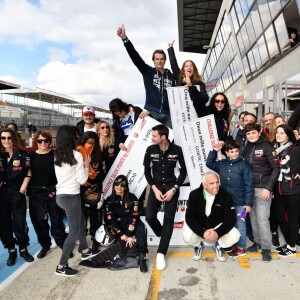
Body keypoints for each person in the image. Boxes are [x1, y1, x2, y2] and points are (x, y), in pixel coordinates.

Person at [54, 125, 98, 277]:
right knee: (72, 233)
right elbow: (82, 180)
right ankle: (61, 265)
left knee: (81, 221)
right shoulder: (77, 156)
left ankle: (85, 250)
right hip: (71, 196)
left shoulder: (57, 155)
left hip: (61, 196)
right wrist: (86, 164)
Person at [144, 124, 187, 270]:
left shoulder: (177, 150)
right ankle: (164, 236)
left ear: (163, 137)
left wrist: (174, 190)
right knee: (149, 216)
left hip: (171, 187)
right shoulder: (150, 150)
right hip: (156, 187)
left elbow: (183, 172)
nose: (152, 138)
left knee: (169, 219)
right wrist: (154, 189)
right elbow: (147, 172)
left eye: (154, 136)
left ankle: (161, 252)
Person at [117, 24, 175, 128]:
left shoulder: (171, 76)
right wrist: (125, 39)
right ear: (153, 61)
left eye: (162, 59)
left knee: (168, 141)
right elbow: (135, 56)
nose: (159, 61)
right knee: (152, 141)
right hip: (152, 113)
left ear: (165, 60)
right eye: (157, 59)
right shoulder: (147, 71)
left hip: (168, 115)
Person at [206, 141, 254, 257]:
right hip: (226, 202)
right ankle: (230, 244)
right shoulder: (222, 164)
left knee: (240, 225)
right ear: (227, 153)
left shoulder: (243, 165)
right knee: (227, 224)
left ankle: (241, 247)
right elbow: (209, 163)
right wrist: (214, 150)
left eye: (236, 151)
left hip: (240, 203)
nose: (234, 154)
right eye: (231, 152)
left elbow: (249, 184)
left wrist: (248, 204)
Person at [27, 130, 67, 259]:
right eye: (40, 141)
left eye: (46, 140)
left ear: (50, 142)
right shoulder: (30, 156)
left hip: (53, 191)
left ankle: (62, 244)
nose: (43, 143)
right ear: (36, 142)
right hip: (36, 193)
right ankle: (45, 245)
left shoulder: (56, 154)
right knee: (40, 222)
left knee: (57, 221)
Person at [243, 123, 279, 262]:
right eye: (248, 134)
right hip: (249, 190)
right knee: (253, 219)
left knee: (262, 220)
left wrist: (268, 188)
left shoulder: (267, 146)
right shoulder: (247, 148)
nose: (251, 135)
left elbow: (276, 168)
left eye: (253, 133)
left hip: (263, 189)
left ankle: (266, 248)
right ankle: (257, 243)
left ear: (259, 132)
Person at [183, 171, 239, 262]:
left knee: (235, 236)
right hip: (201, 226)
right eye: (212, 183)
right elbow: (189, 218)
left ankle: (219, 245)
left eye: (217, 182)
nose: (216, 185)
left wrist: (217, 232)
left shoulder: (226, 195)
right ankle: (198, 245)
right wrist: (202, 232)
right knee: (186, 235)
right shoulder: (194, 195)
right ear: (204, 185)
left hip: (217, 226)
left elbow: (231, 218)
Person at [0, 128, 34, 266]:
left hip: (17, 191)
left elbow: (28, 173)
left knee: (20, 223)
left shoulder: (23, 155)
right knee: (4, 224)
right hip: (1, 193)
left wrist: (21, 189)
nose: (6, 141)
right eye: (3, 138)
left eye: (9, 138)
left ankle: (23, 248)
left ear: (14, 138)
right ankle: (11, 250)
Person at [106, 175, 148, 273]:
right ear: (114, 184)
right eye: (117, 183)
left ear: (126, 186)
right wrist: (121, 234)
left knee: (141, 228)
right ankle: (131, 254)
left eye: (122, 184)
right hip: (119, 226)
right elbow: (111, 219)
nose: (119, 187)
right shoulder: (109, 200)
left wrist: (129, 234)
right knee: (119, 250)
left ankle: (142, 258)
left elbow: (134, 216)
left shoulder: (132, 198)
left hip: (132, 223)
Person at [274, 124, 300, 257]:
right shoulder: (278, 150)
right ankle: (289, 242)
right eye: (277, 132)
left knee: (293, 219)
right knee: (280, 216)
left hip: (293, 190)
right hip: (279, 190)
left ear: (288, 135)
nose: (278, 135)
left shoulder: (295, 149)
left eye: (282, 133)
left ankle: (292, 246)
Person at [77, 131, 103, 254]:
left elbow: (101, 175)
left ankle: (95, 237)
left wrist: (100, 192)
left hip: (94, 189)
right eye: (88, 144)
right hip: (80, 188)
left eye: (93, 144)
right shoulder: (77, 154)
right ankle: (82, 241)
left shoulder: (99, 155)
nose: (90, 146)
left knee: (94, 215)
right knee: (81, 216)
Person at [167, 40, 209, 110]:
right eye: (186, 66)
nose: (189, 67)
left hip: (196, 113)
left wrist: (191, 87)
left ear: (194, 69)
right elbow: (173, 64)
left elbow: (205, 99)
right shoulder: (179, 77)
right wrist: (171, 48)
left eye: (191, 66)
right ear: (183, 69)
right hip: (181, 112)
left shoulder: (200, 83)